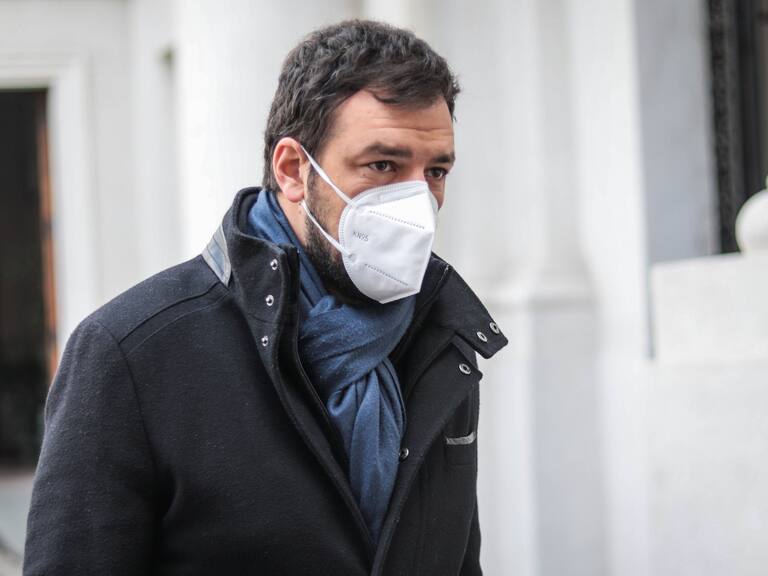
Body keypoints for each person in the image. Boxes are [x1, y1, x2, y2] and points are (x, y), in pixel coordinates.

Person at [23, 19, 507, 575]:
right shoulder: (132, 352)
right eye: (382, 166)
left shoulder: (437, 340)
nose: (417, 201)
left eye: (436, 171)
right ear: (294, 169)